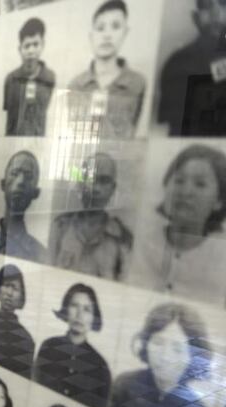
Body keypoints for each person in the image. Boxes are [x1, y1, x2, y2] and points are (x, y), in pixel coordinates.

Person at [128, 145, 226, 305]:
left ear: (219, 201)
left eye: (200, 184)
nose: (186, 191)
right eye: (179, 180)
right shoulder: (139, 243)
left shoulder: (222, 259)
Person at [109, 303, 213, 407]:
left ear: (193, 357)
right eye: (158, 342)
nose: (165, 356)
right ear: (146, 342)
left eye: (177, 349)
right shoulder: (124, 386)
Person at [67, 0, 145, 139]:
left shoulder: (137, 83)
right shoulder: (75, 85)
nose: (107, 35)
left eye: (115, 26)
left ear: (125, 32)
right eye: (100, 28)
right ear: (91, 36)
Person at [49, 153, 131, 280]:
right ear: (81, 184)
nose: (96, 188)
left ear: (112, 189)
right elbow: (47, 274)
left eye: (104, 181)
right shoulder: (61, 226)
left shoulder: (122, 238)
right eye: (91, 180)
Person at [33, 283, 111, 407]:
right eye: (74, 306)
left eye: (87, 309)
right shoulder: (49, 347)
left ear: (94, 317)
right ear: (66, 309)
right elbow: (34, 391)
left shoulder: (100, 366)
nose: (79, 315)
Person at [158, 0, 226, 135]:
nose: (216, 14)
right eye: (207, 6)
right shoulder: (180, 61)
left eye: (223, 4)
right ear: (195, 17)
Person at [0, 150, 46, 263]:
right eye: (15, 173)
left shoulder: (40, 255)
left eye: (28, 176)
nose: (21, 181)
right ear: (3, 184)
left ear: (36, 193)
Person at [0, 264, 35, 378]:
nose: (9, 293)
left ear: (21, 296)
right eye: (6, 285)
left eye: (15, 288)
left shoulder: (26, 339)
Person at [4, 18, 55, 137]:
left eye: (35, 44)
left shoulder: (50, 78)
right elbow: (9, 119)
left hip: (38, 144)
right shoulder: (11, 79)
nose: (31, 51)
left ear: (42, 45)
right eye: (26, 46)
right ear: (20, 49)